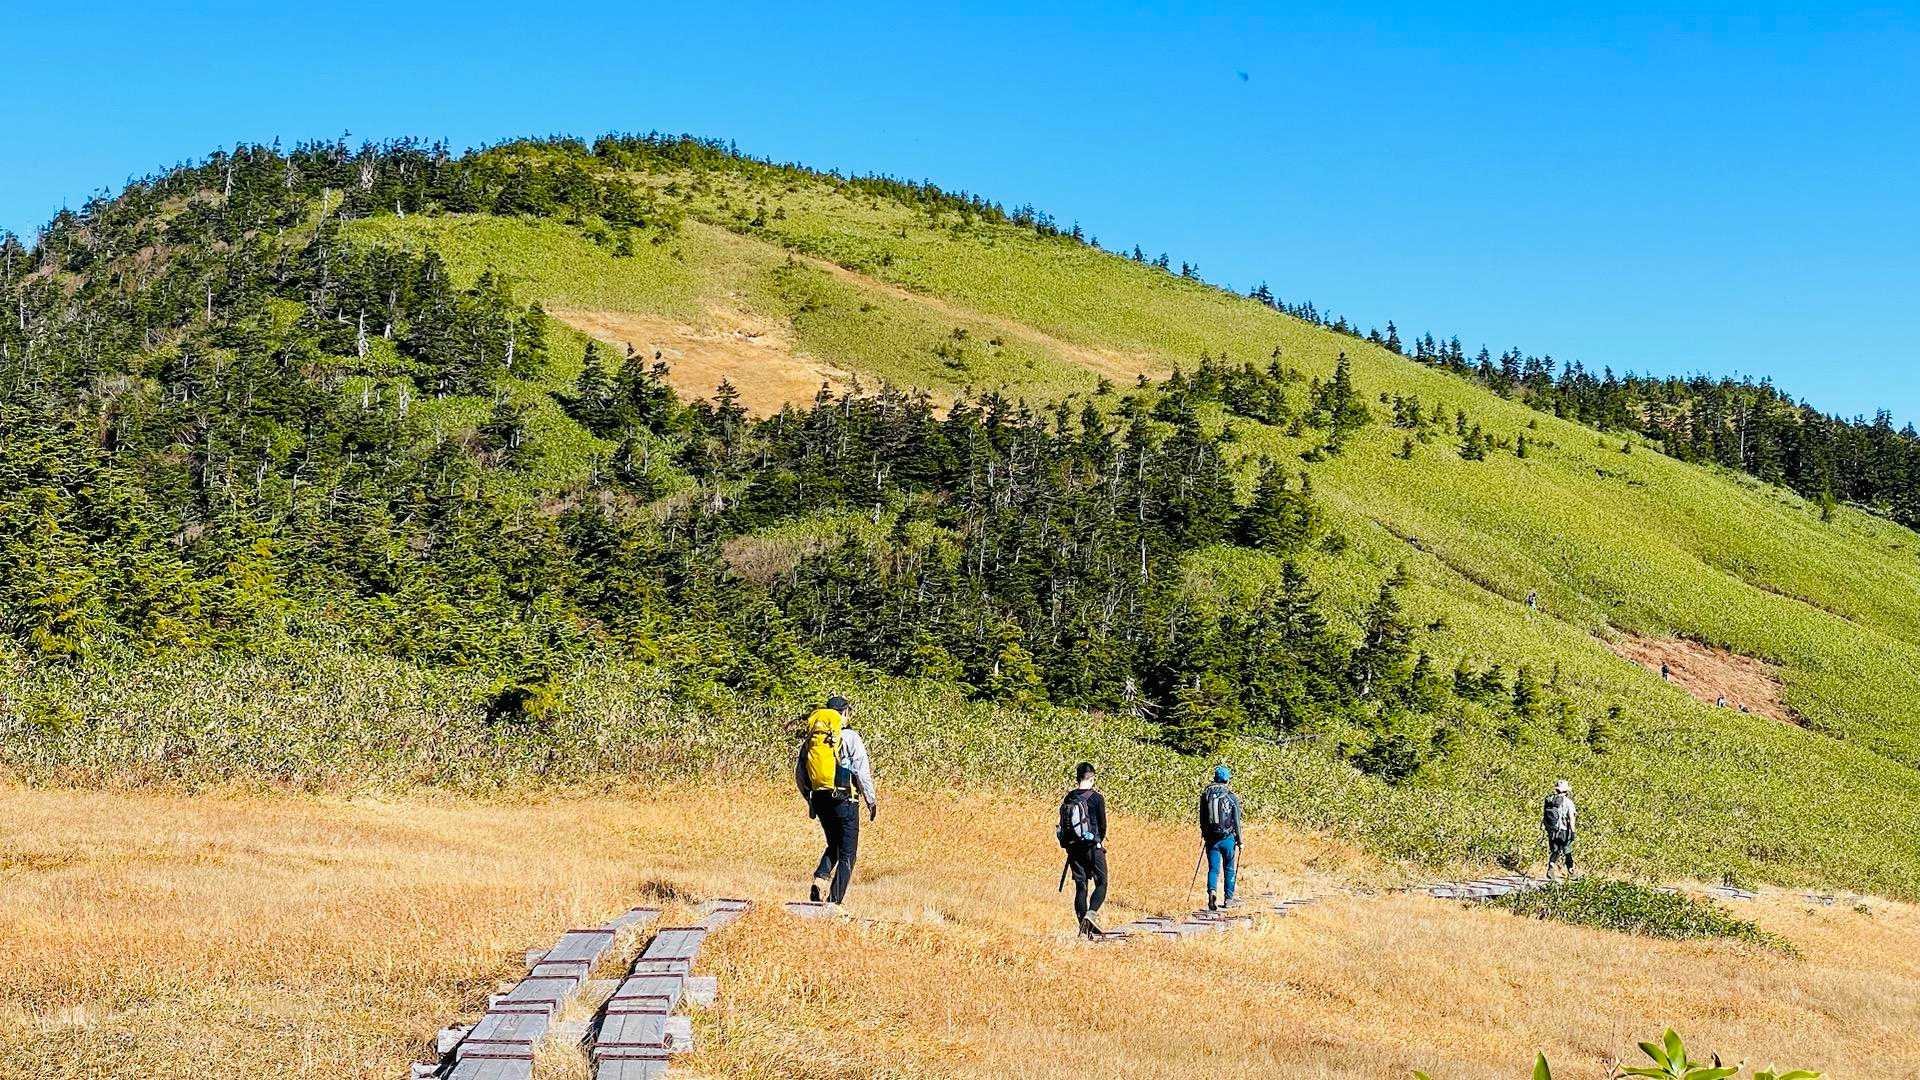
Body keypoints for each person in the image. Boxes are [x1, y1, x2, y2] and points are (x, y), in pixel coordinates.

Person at [794, 695, 877, 905]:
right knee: (848, 853)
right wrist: (871, 801)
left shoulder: (813, 739)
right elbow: (862, 772)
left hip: (820, 799)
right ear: (845, 713)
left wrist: (810, 799)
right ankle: (833, 902)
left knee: (834, 844)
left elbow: (800, 773)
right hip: (845, 799)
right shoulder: (850, 737)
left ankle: (820, 879)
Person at [1057, 761, 1109, 938]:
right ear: (1092, 778)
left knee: (1081, 887)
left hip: (1073, 848)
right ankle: (1091, 914)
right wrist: (1098, 840)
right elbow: (1102, 825)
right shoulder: (1097, 798)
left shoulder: (1069, 797)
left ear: (1077, 778)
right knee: (1102, 882)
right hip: (1092, 847)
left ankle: (1084, 928)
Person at [1199, 765, 1244, 911]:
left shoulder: (1206, 795)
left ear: (1215, 778)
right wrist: (1240, 841)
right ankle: (1228, 899)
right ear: (1227, 779)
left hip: (1211, 839)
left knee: (1213, 868)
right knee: (1229, 868)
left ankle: (1212, 891)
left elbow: (1202, 819)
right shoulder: (1231, 796)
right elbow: (1236, 821)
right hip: (1228, 838)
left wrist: (1205, 835)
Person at [1542, 779, 1577, 881]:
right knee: (1567, 851)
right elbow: (1571, 818)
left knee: (1555, 851)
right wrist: (1573, 832)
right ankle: (1571, 872)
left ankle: (1551, 867)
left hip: (1552, 830)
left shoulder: (1550, 800)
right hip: (1564, 831)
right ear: (1566, 791)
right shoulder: (1568, 802)